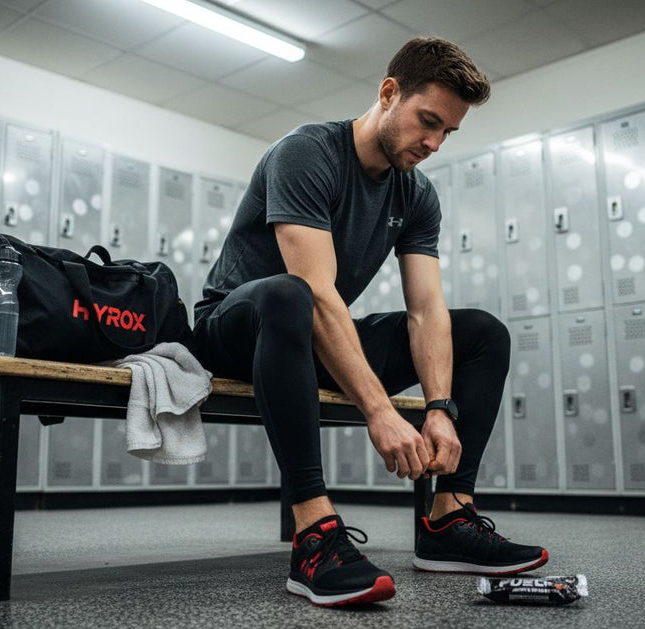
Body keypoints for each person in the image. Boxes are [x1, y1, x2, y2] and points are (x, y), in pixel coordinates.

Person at [191, 36, 548, 607]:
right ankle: (312, 534)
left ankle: (448, 518)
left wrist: (439, 408)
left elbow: (426, 309)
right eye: (427, 121)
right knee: (291, 295)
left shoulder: (417, 194)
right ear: (388, 93)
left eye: (447, 133)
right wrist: (378, 410)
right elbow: (316, 290)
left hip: (312, 328)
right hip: (239, 328)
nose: (433, 143)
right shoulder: (307, 153)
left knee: (482, 332)